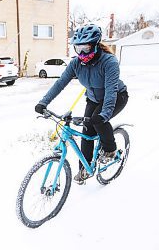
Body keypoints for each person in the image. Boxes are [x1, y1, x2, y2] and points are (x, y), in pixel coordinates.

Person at [35, 24, 128, 185]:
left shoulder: (109, 62)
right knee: (86, 132)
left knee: (98, 121)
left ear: (95, 44)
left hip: (116, 96)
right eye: (78, 49)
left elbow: (111, 91)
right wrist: (44, 102)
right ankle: (84, 169)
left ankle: (110, 150)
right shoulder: (76, 64)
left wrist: (103, 115)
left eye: (86, 48)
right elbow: (60, 83)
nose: (82, 53)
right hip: (93, 98)